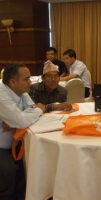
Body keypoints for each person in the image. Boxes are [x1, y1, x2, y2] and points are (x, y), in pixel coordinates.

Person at [0, 63, 46, 200]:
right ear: (13, 82)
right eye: (26, 79)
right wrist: (37, 110)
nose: (30, 82)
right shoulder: (2, 95)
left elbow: (30, 109)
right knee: (8, 170)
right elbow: (32, 113)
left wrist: (16, 119)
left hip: (14, 140)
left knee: (36, 159)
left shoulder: (21, 92)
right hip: (1, 145)